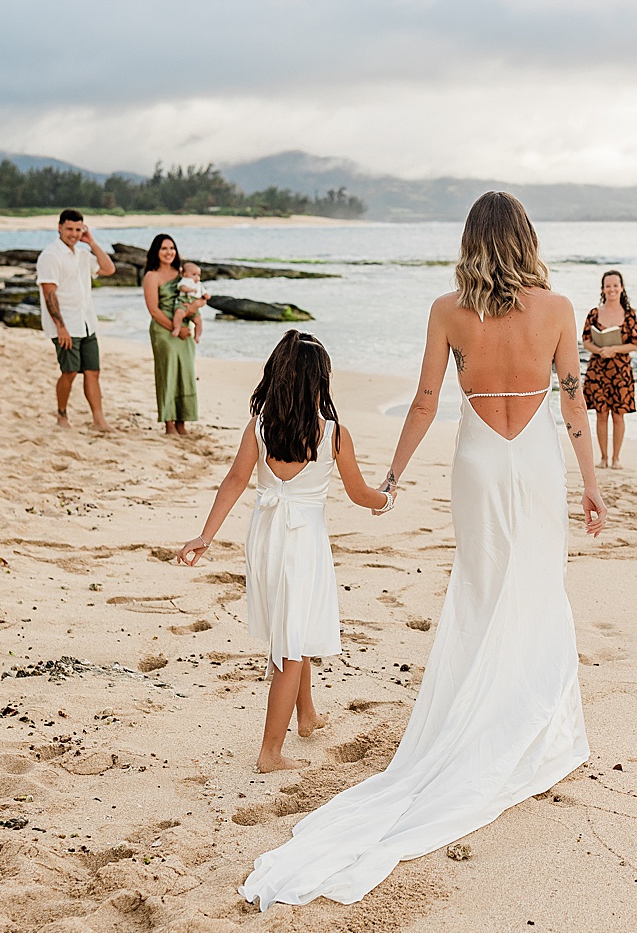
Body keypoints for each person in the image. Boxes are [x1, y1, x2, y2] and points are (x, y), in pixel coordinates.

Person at [240, 191, 606, 908]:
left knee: (478, 591)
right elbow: (573, 404)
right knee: (534, 587)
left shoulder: (447, 309)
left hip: (474, 463)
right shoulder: (559, 309)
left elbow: (424, 401)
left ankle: (475, 715)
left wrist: (393, 475)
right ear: (527, 238)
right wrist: (592, 485)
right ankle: (530, 725)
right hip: (532, 465)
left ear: (471, 240)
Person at [176, 331, 391, 773]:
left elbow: (235, 480)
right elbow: (358, 492)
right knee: (290, 646)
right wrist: (386, 499)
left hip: (266, 536)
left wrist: (206, 535)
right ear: (318, 383)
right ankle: (269, 753)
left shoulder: (259, 427)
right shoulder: (332, 433)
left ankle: (307, 715)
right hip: (303, 541)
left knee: (295, 623)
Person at [36, 209, 116, 430]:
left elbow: (109, 269)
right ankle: (62, 415)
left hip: (87, 322)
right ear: (59, 227)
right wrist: (61, 328)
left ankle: (98, 420)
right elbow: (49, 293)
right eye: (69, 228)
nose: (73, 233)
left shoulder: (82, 255)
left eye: (78, 229)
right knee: (69, 371)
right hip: (66, 325)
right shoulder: (51, 255)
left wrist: (91, 243)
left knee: (93, 372)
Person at [142, 233, 207, 435]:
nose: (169, 252)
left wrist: (196, 306)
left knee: (185, 373)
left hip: (185, 329)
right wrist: (175, 329)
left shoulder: (182, 275)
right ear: (156, 252)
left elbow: (197, 297)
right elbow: (153, 310)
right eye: (164, 248)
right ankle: (169, 422)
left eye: (171, 248)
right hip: (164, 331)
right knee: (167, 373)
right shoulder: (151, 276)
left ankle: (182, 421)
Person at [581, 269, 637, 469]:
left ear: (622, 288)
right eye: (608, 286)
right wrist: (600, 350)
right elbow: (585, 340)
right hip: (598, 369)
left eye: (615, 285)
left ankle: (616, 458)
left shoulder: (629, 314)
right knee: (601, 413)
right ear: (603, 289)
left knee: (618, 414)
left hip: (620, 371)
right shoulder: (594, 313)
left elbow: (635, 343)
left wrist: (614, 349)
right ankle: (603, 458)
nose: (612, 289)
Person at [171, 262, 209, 339]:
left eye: (198, 275)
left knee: (199, 320)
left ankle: (197, 335)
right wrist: (190, 290)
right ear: (185, 274)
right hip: (183, 302)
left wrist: (206, 295)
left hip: (194, 305)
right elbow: (182, 288)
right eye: (194, 274)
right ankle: (177, 328)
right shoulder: (185, 281)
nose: (197, 277)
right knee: (179, 313)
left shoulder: (199, 284)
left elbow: (204, 293)